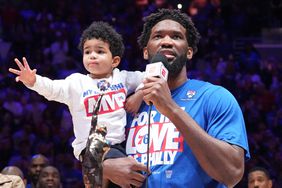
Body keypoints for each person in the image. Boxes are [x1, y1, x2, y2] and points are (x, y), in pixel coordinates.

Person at [103, 8, 250, 188]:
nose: (166, 42)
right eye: (158, 36)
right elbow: (90, 160)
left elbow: (232, 173)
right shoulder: (125, 104)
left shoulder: (215, 98)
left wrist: (171, 108)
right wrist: (104, 166)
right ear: (145, 52)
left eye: (176, 36)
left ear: (189, 52)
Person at [9, 21, 145, 186]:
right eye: (87, 52)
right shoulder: (76, 82)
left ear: (115, 61)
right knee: (128, 177)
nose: (92, 55)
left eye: (100, 51)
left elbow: (153, 76)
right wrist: (33, 81)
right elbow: (52, 89)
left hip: (119, 146)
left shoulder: (122, 78)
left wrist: (139, 94)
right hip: (90, 149)